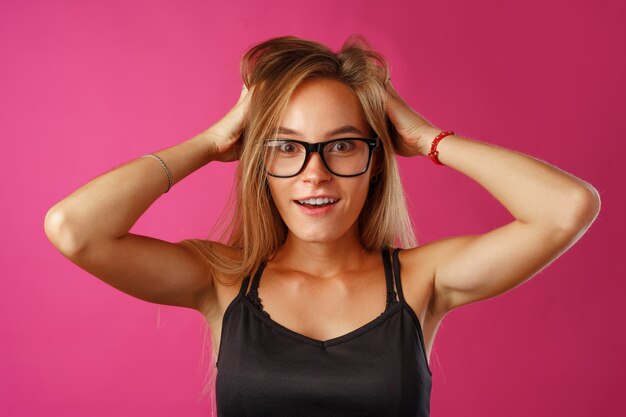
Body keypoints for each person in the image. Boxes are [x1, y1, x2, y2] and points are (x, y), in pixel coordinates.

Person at [44, 35, 601, 416]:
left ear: (374, 158)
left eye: (341, 145)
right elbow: (75, 228)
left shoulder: (422, 278)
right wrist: (212, 141)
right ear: (259, 160)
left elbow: (567, 207)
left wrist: (425, 137)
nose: (316, 174)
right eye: (287, 147)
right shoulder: (222, 278)